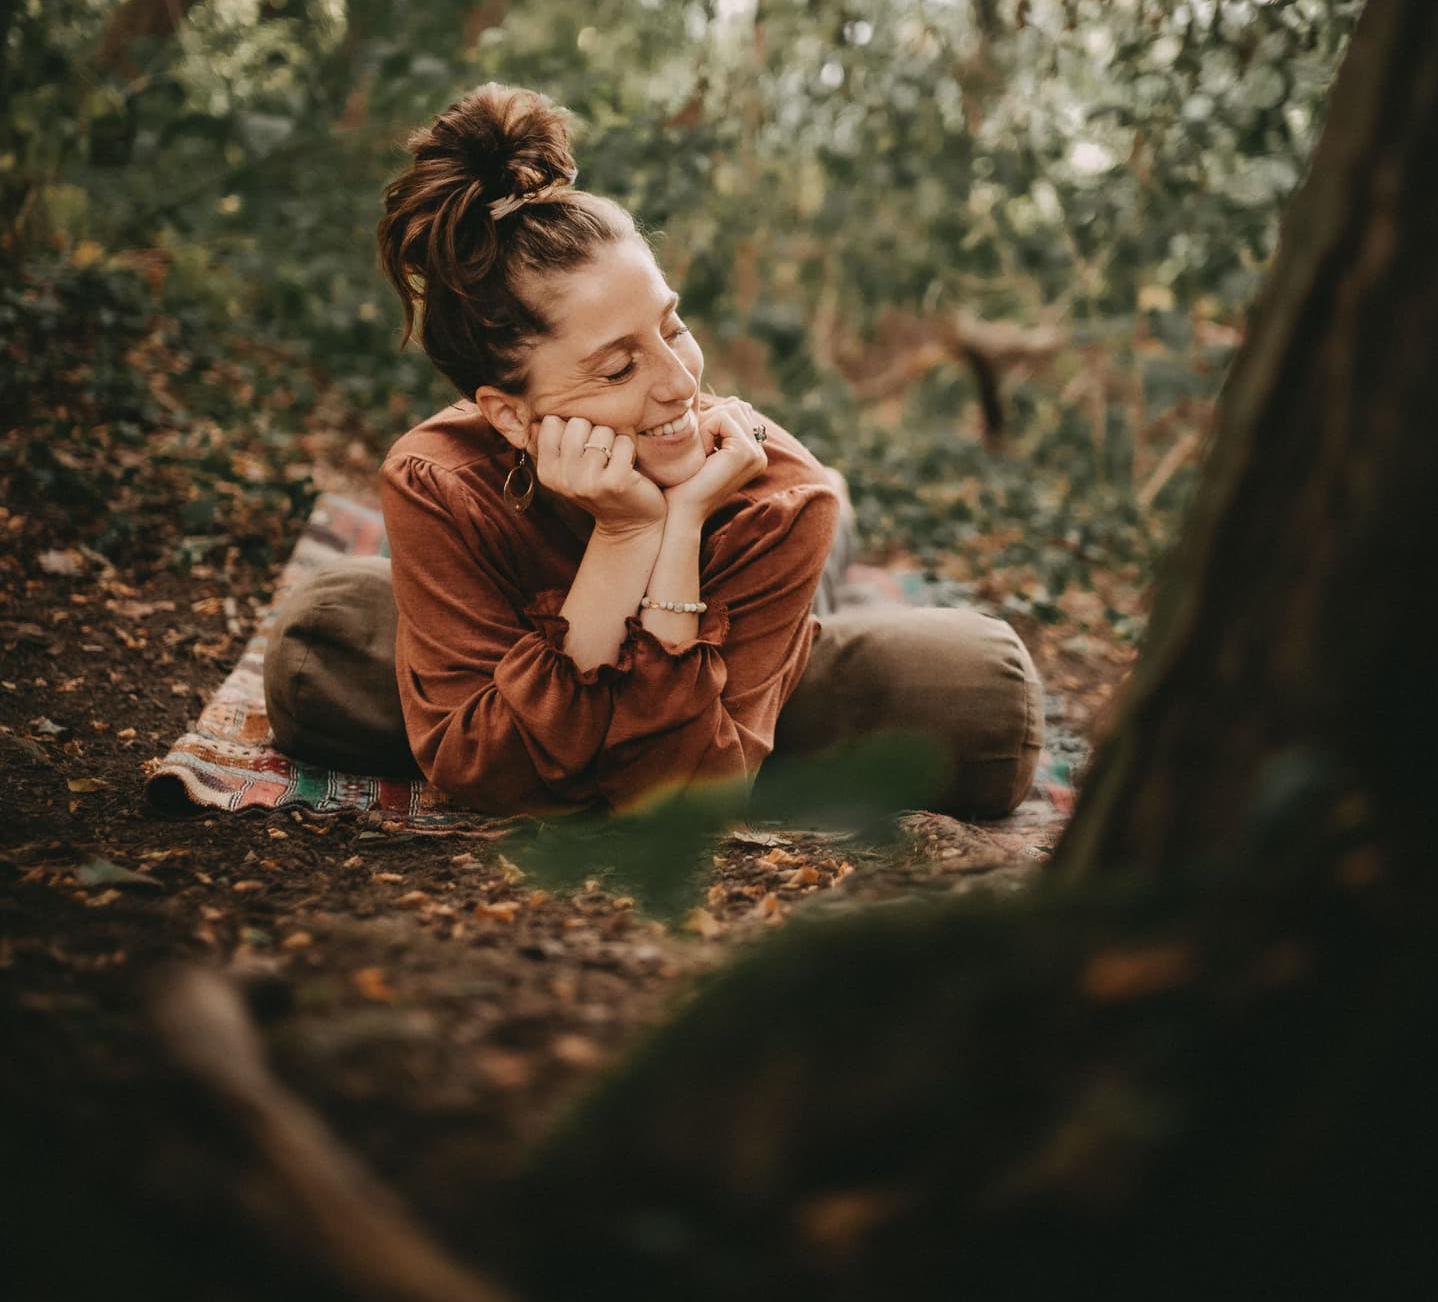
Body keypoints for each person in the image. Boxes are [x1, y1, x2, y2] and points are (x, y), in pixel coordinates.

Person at [263, 82, 1044, 819]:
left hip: (771, 543)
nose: (679, 383)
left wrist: (683, 523)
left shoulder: (779, 498)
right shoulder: (440, 480)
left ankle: (838, 545)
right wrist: (625, 533)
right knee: (328, 627)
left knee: (961, 676)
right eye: (617, 366)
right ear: (507, 414)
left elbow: (683, 803)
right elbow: (482, 774)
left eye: (671, 327)